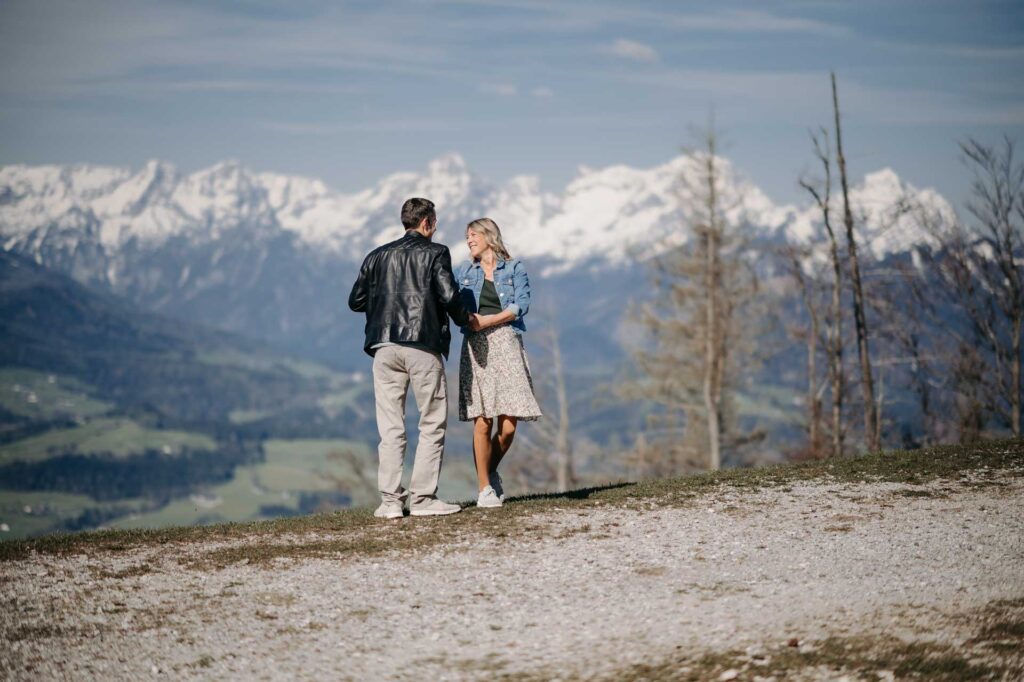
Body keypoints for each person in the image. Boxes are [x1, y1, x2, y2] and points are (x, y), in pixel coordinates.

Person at [348, 197, 481, 519]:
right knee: (431, 422)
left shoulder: (376, 256)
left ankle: (391, 502)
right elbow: (448, 296)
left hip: (383, 347)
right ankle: (422, 499)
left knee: (391, 428)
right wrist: (467, 319)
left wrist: (384, 307)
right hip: (422, 344)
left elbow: (356, 301)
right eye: (434, 223)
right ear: (427, 223)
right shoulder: (436, 253)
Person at [454, 218, 542, 509]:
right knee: (482, 419)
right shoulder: (464, 271)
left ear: (489, 236)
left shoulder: (515, 268)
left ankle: (490, 471)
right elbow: (453, 305)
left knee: (508, 426)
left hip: (507, 342)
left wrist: (490, 320)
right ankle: (484, 489)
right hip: (477, 346)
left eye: (473, 235)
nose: (469, 240)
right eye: (467, 237)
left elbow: (521, 304)